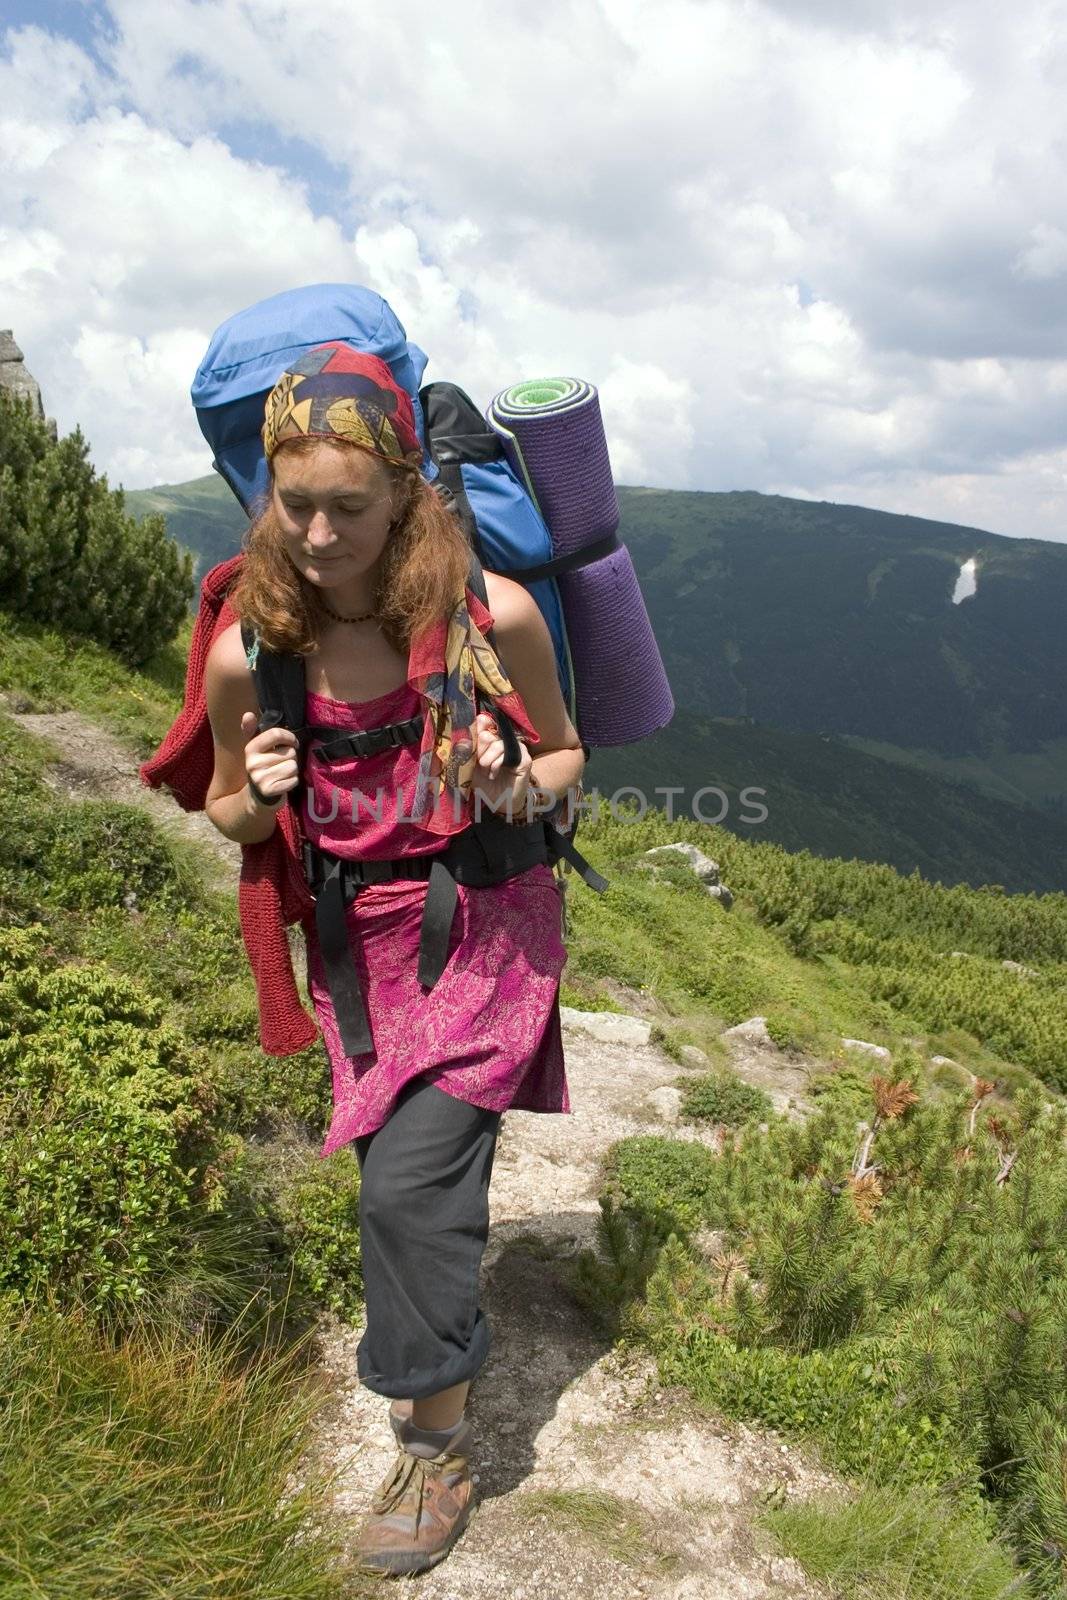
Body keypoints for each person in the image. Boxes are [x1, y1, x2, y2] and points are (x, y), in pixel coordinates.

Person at [200, 343, 585, 1577]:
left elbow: (566, 759)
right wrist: (255, 799)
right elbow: (222, 809)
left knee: (402, 1189)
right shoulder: (245, 651)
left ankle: (437, 1445)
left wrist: (509, 779)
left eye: (348, 508)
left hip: (485, 924)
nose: (317, 532)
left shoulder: (492, 615)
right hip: (358, 952)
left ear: (407, 494)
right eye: (294, 502)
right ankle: (442, 1299)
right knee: (408, 1178)